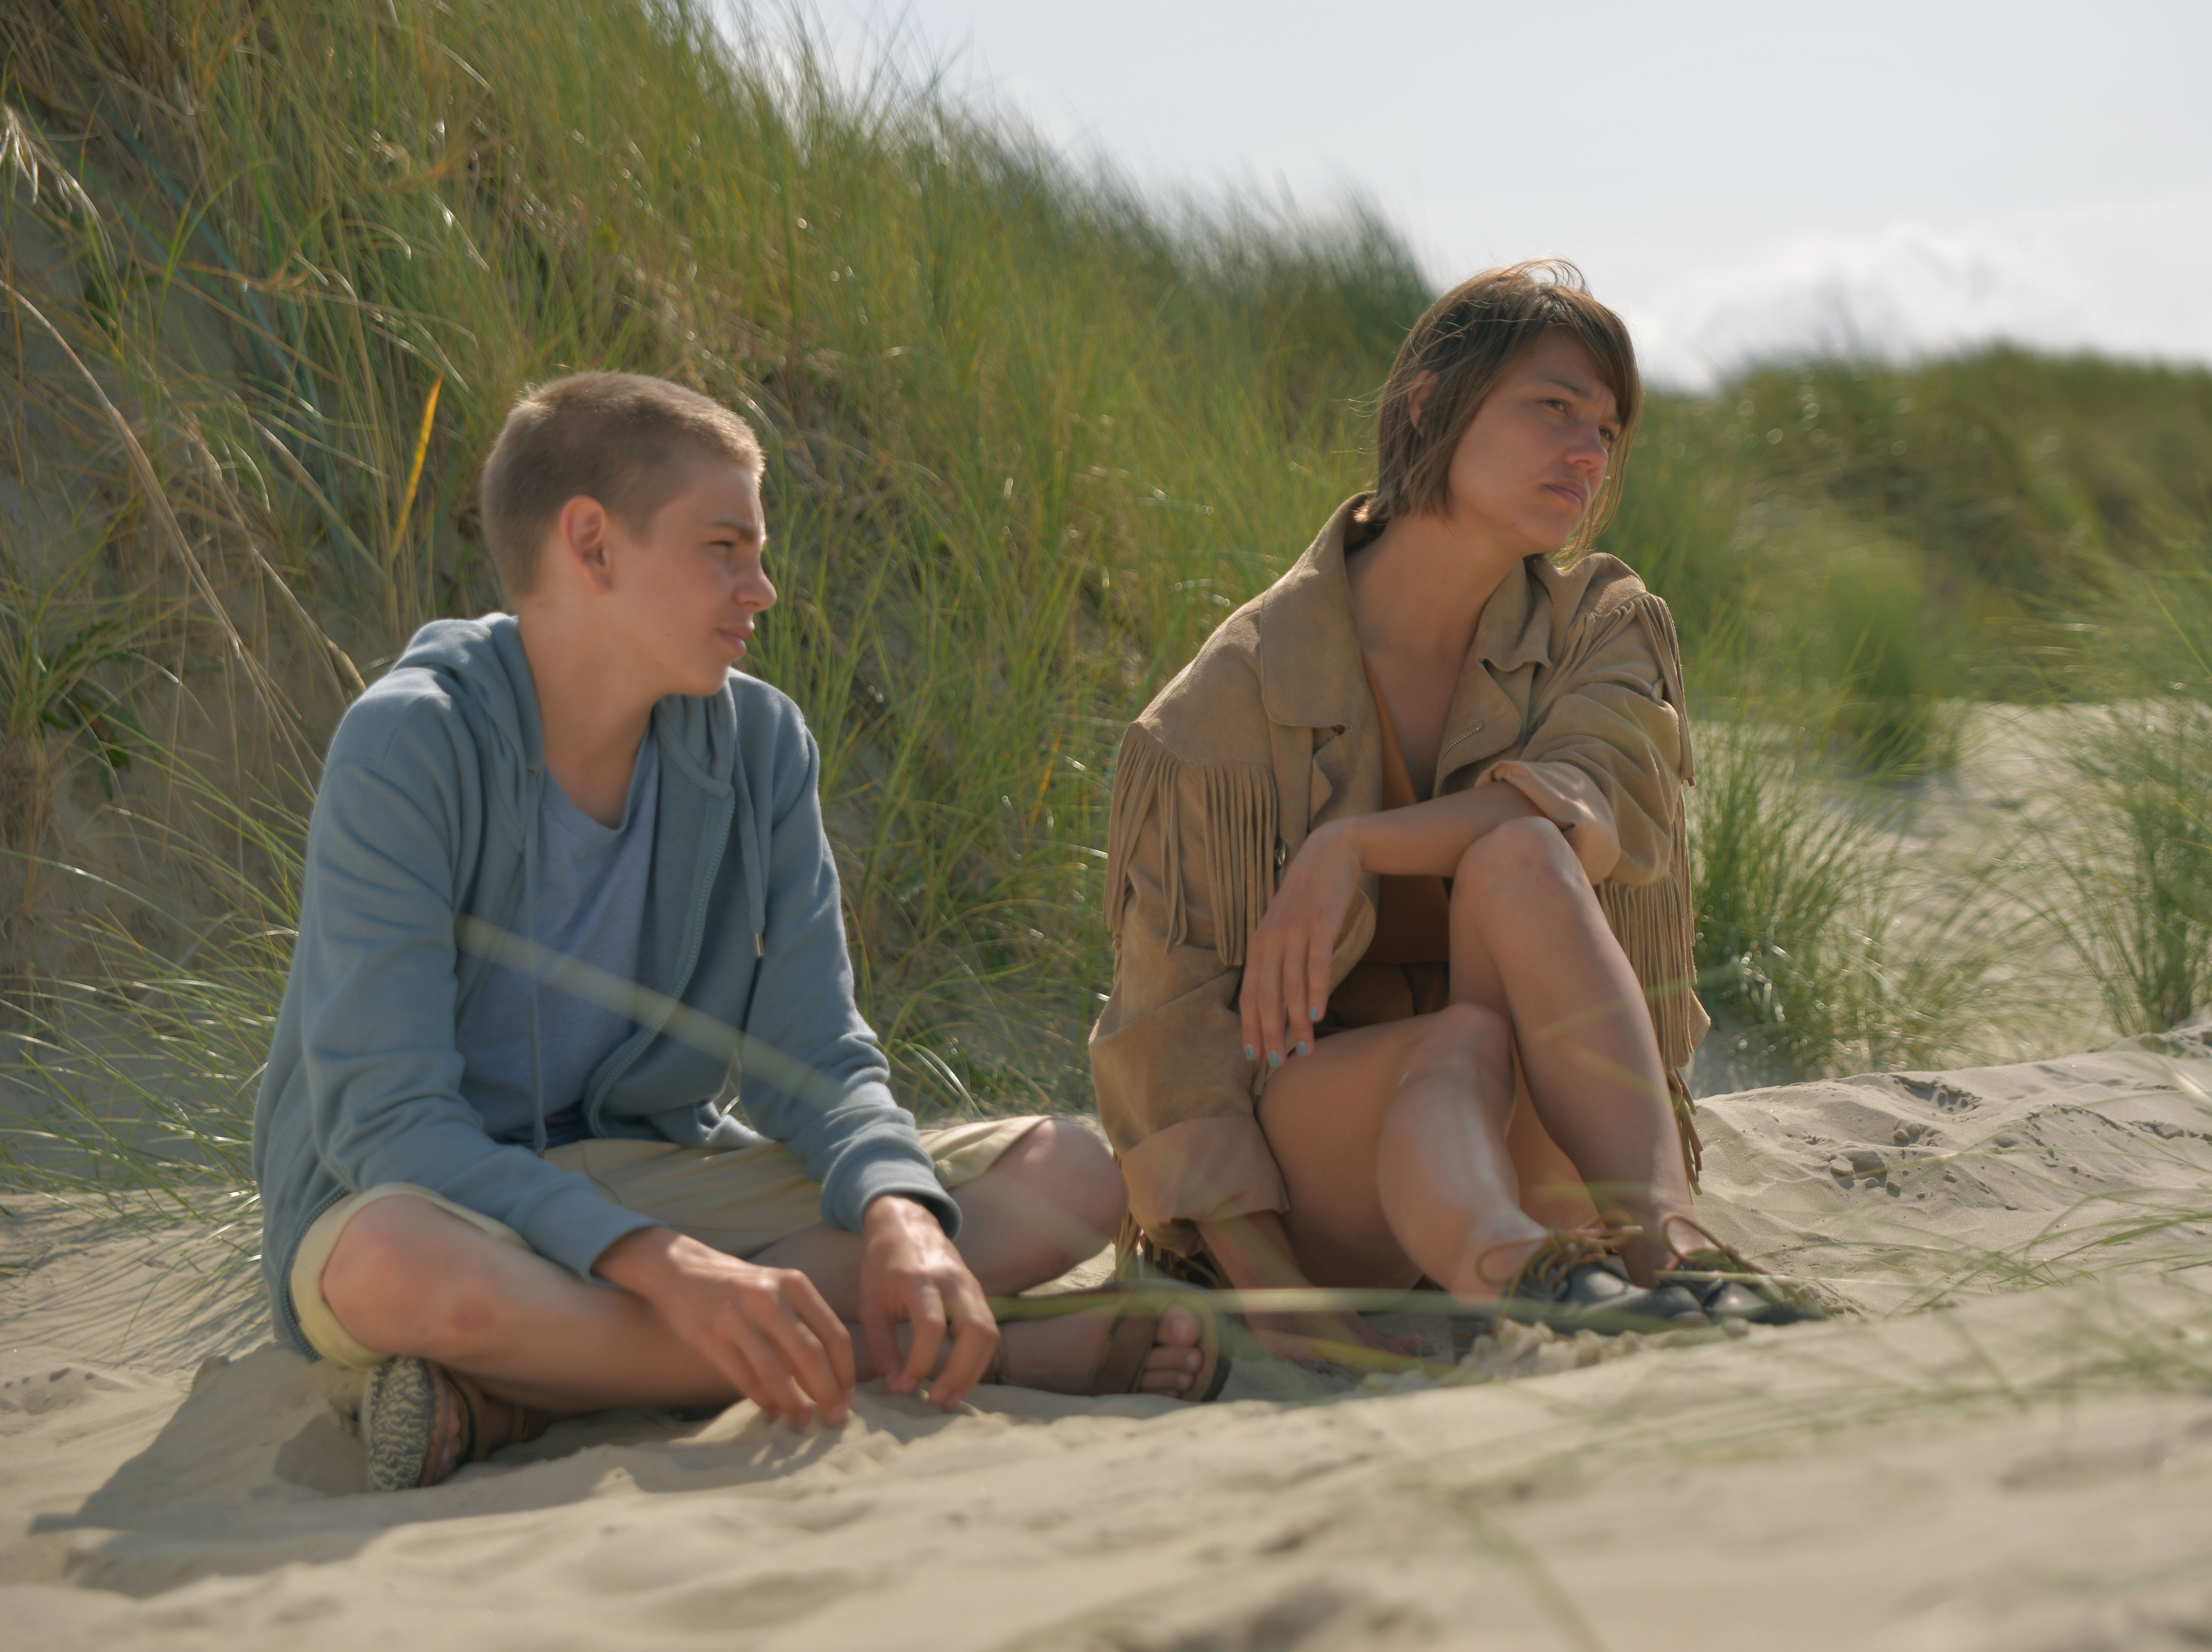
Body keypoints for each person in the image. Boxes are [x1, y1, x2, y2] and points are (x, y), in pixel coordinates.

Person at [254, 372, 1224, 1494]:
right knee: (395, 1271)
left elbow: (815, 1056)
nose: (761, 590)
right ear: (592, 545)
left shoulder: (761, 746)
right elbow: (391, 1125)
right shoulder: (410, 744)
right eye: (724, 549)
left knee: (1073, 1174)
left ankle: (520, 1394)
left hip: (653, 1171)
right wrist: (667, 1266)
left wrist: (900, 1217)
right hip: (435, 1204)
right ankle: (962, 1354)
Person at [1091, 262, 1802, 1365]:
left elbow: (1591, 801)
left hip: (1555, 1150)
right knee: (1454, 1044)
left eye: (1607, 430)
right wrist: (1279, 1303)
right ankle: (1522, 1277)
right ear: (1430, 404)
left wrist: (1353, 844)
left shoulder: (1602, 624)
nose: (1588, 453)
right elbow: (1170, 1041)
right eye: (1553, 408)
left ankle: (1673, 1253)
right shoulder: (1229, 703)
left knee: (1524, 854)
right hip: (1336, 1194)